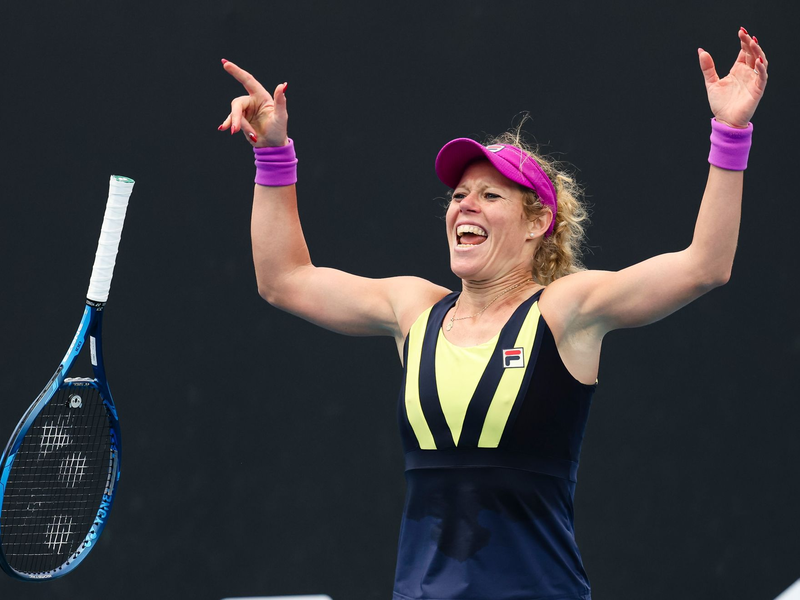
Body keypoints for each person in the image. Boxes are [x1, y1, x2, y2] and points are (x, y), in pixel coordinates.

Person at [218, 28, 768, 600]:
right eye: (458, 195)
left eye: (490, 195)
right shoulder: (413, 309)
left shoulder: (565, 310)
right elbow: (284, 280)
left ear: (538, 224)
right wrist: (272, 150)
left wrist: (730, 131)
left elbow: (705, 265)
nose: (464, 204)